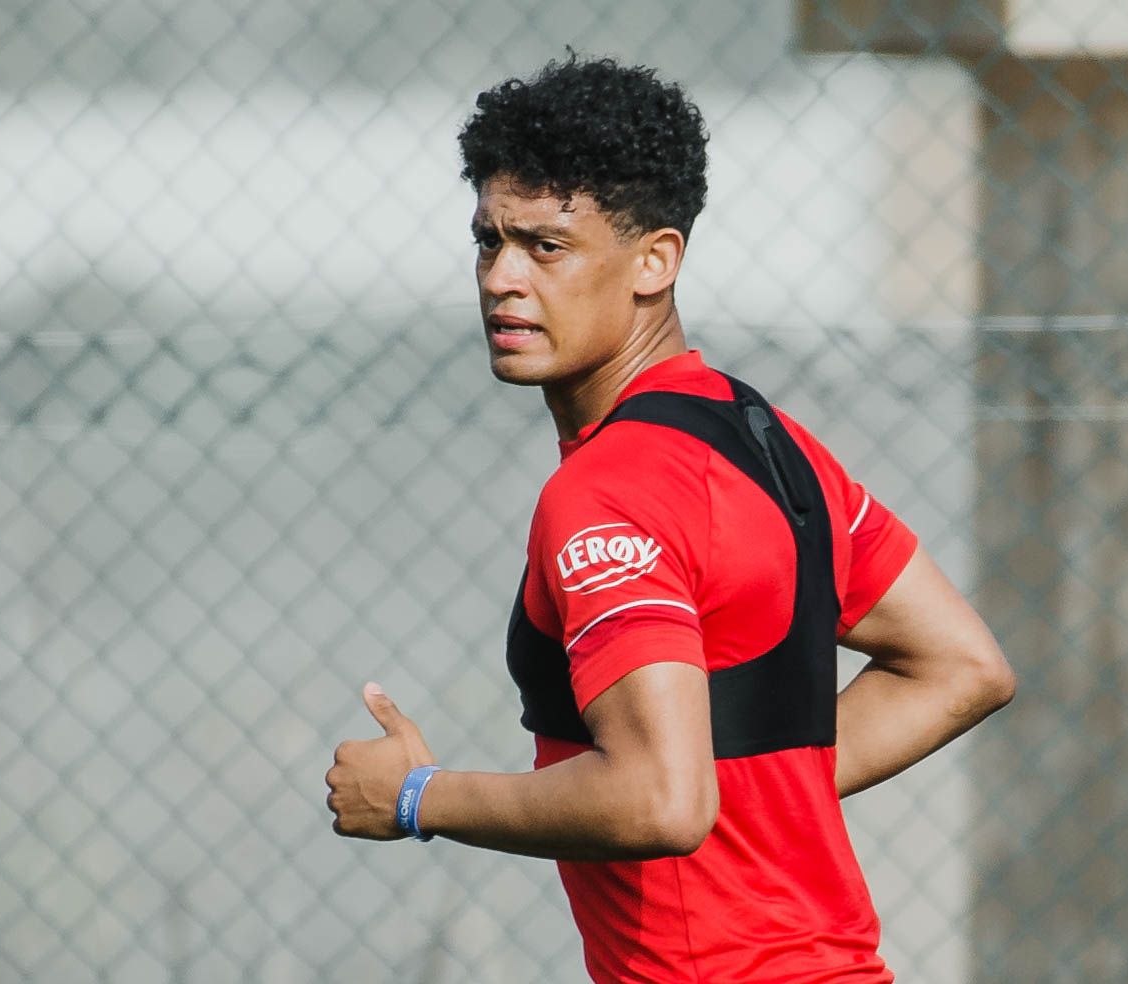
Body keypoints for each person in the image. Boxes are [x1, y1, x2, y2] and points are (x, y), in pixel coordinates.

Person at [326, 55, 1015, 983]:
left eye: (547, 247)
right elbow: (961, 666)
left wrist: (418, 797)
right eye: (489, 241)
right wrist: (756, 793)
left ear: (655, 261)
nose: (502, 278)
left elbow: (660, 802)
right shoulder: (768, 439)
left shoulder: (603, 492)